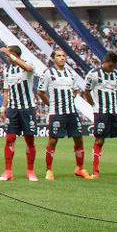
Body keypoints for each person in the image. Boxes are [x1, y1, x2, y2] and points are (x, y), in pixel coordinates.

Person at [37, 47, 90, 181]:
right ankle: (49, 170)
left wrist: (74, 94)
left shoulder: (70, 73)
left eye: (63, 56)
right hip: (57, 113)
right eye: (59, 56)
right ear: (54, 58)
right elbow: (41, 92)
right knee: (53, 140)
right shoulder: (48, 73)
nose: (62, 58)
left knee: (78, 139)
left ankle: (79, 168)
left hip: (72, 112)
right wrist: (50, 104)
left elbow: (76, 90)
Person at [84, 51, 117, 178]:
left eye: (114, 66)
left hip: (115, 111)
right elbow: (87, 91)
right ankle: (95, 171)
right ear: (104, 62)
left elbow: (114, 91)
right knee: (99, 140)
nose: (112, 68)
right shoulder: (93, 75)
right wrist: (94, 106)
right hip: (101, 112)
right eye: (110, 65)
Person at [0, 44, 38, 181]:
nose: (6, 57)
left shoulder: (28, 65)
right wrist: (3, 108)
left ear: (14, 55)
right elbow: (6, 91)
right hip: (12, 109)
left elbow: (28, 68)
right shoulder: (7, 70)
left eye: (8, 55)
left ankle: (30, 171)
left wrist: (12, 56)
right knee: (9, 139)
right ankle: (8, 171)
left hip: (27, 108)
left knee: (30, 140)